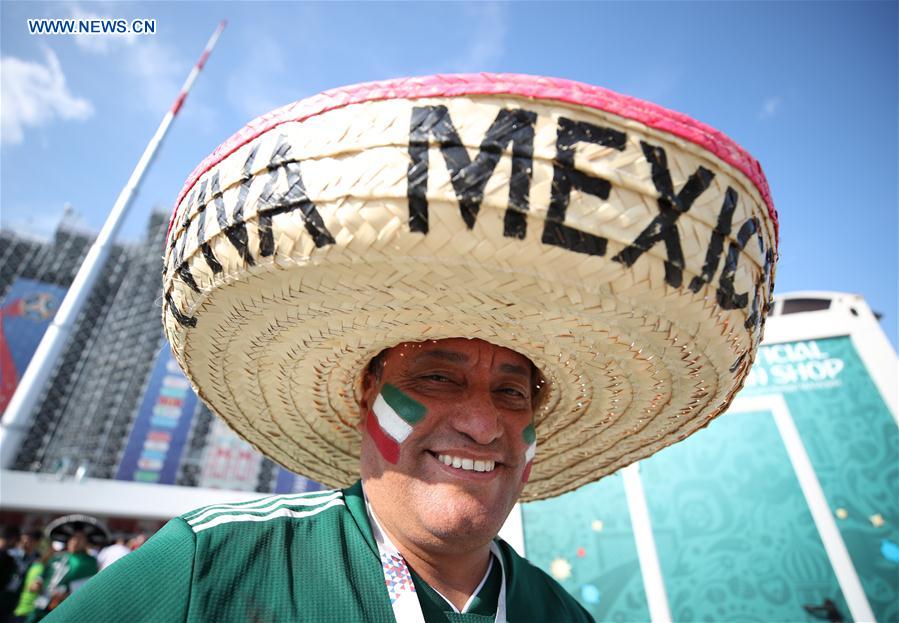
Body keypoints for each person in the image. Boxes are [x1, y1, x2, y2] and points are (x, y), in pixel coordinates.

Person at [45, 73, 777, 621]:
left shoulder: (560, 615)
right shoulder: (212, 567)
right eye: (435, 376)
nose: (483, 422)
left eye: (511, 392)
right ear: (366, 395)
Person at [27, 532, 97, 621]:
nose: (75, 542)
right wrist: (37, 583)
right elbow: (43, 576)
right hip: (41, 604)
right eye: (73, 538)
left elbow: (85, 587)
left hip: (62, 608)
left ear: (86, 543)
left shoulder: (89, 562)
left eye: (80, 539)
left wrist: (65, 595)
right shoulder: (58, 556)